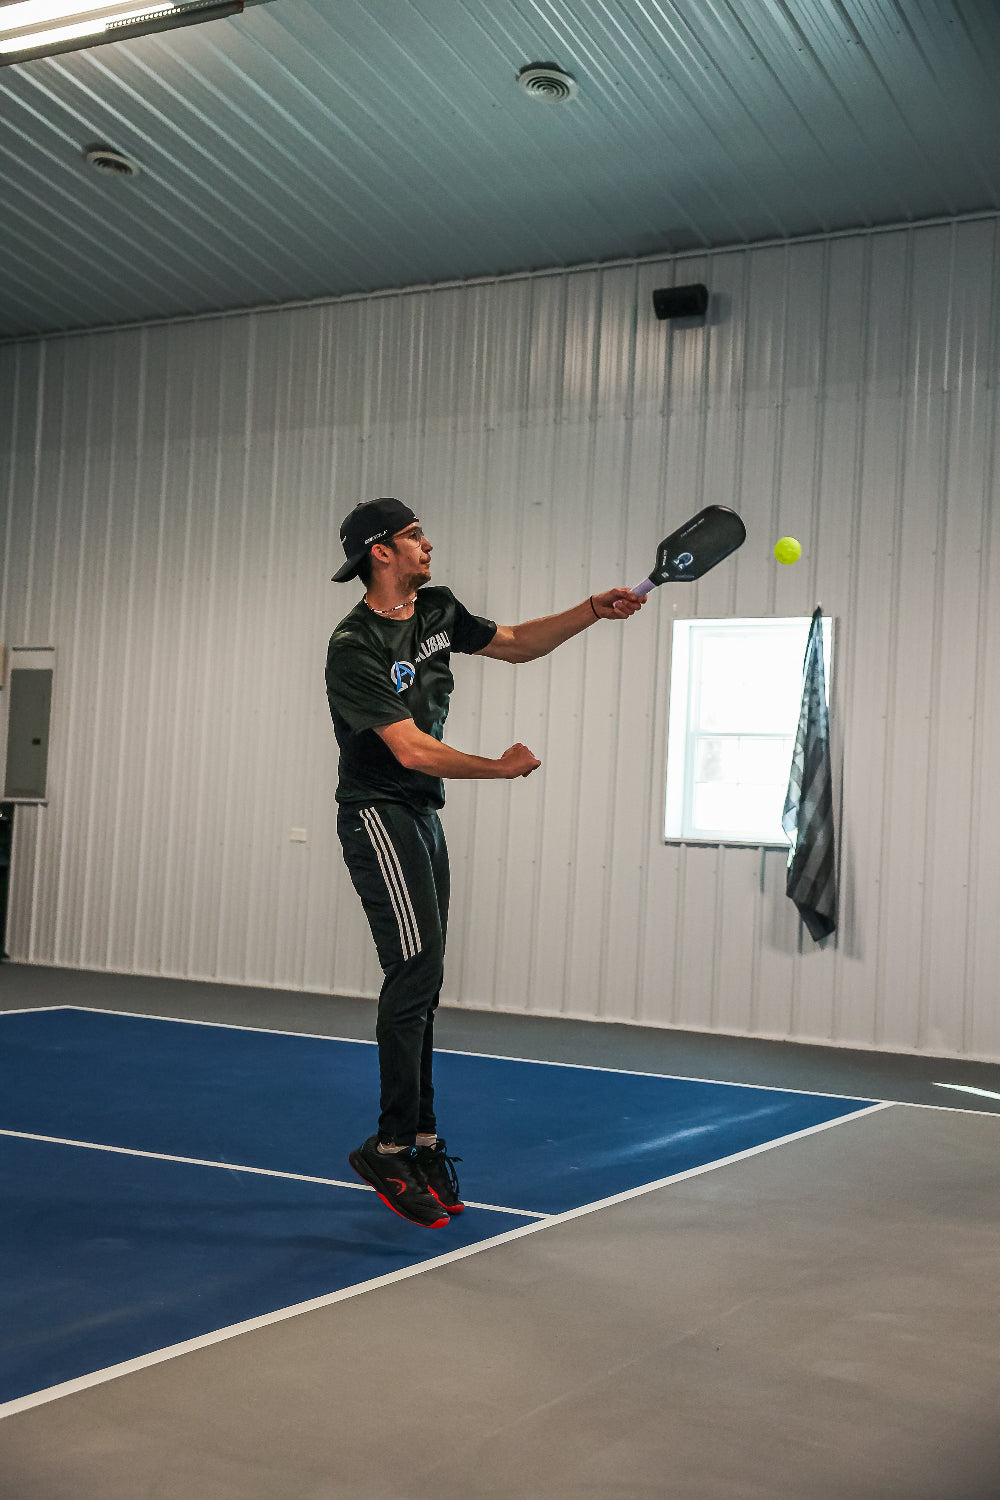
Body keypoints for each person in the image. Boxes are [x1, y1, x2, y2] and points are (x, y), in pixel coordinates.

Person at [325, 497, 645, 1227]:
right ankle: (390, 1145)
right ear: (380, 552)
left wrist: (591, 609)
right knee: (414, 970)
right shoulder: (355, 645)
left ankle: (423, 1137)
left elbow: (520, 643)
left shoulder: (437, 612)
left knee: (426, 977)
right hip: (377, 811)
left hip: (421, 813)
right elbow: (407, 748)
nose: (427, 543)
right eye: (412, 536)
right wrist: (497, 770)